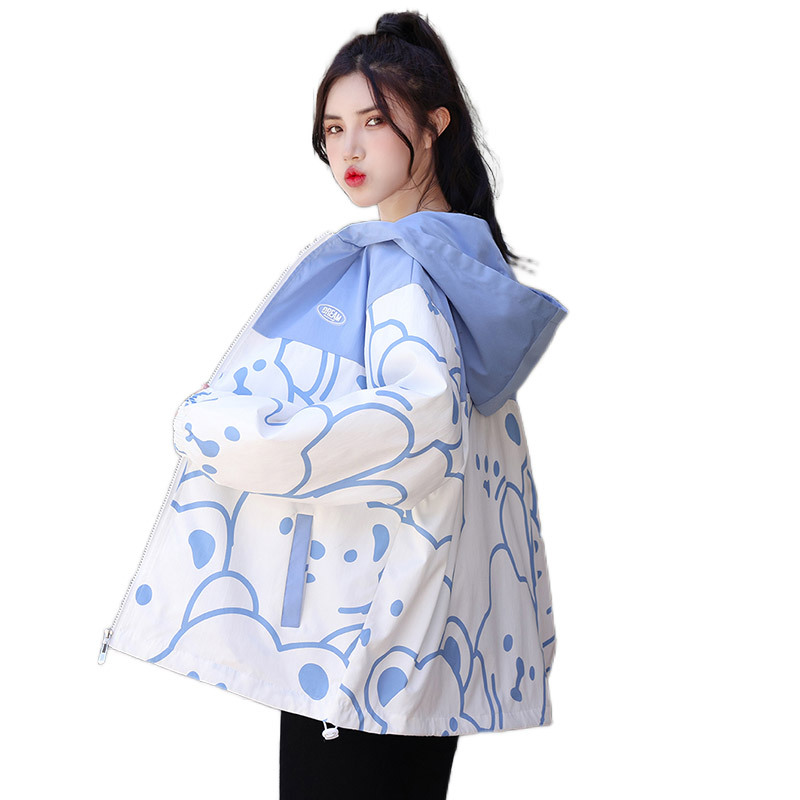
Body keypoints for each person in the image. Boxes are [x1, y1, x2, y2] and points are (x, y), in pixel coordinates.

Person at [98, 11, 568, 800]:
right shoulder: (461, 271)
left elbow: (412, 431)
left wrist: (212, 427)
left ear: (435, 125)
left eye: (374, 123)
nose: (348, 150)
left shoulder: (395, 269)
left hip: (356, 638)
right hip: (423, 644)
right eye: (333, 128)